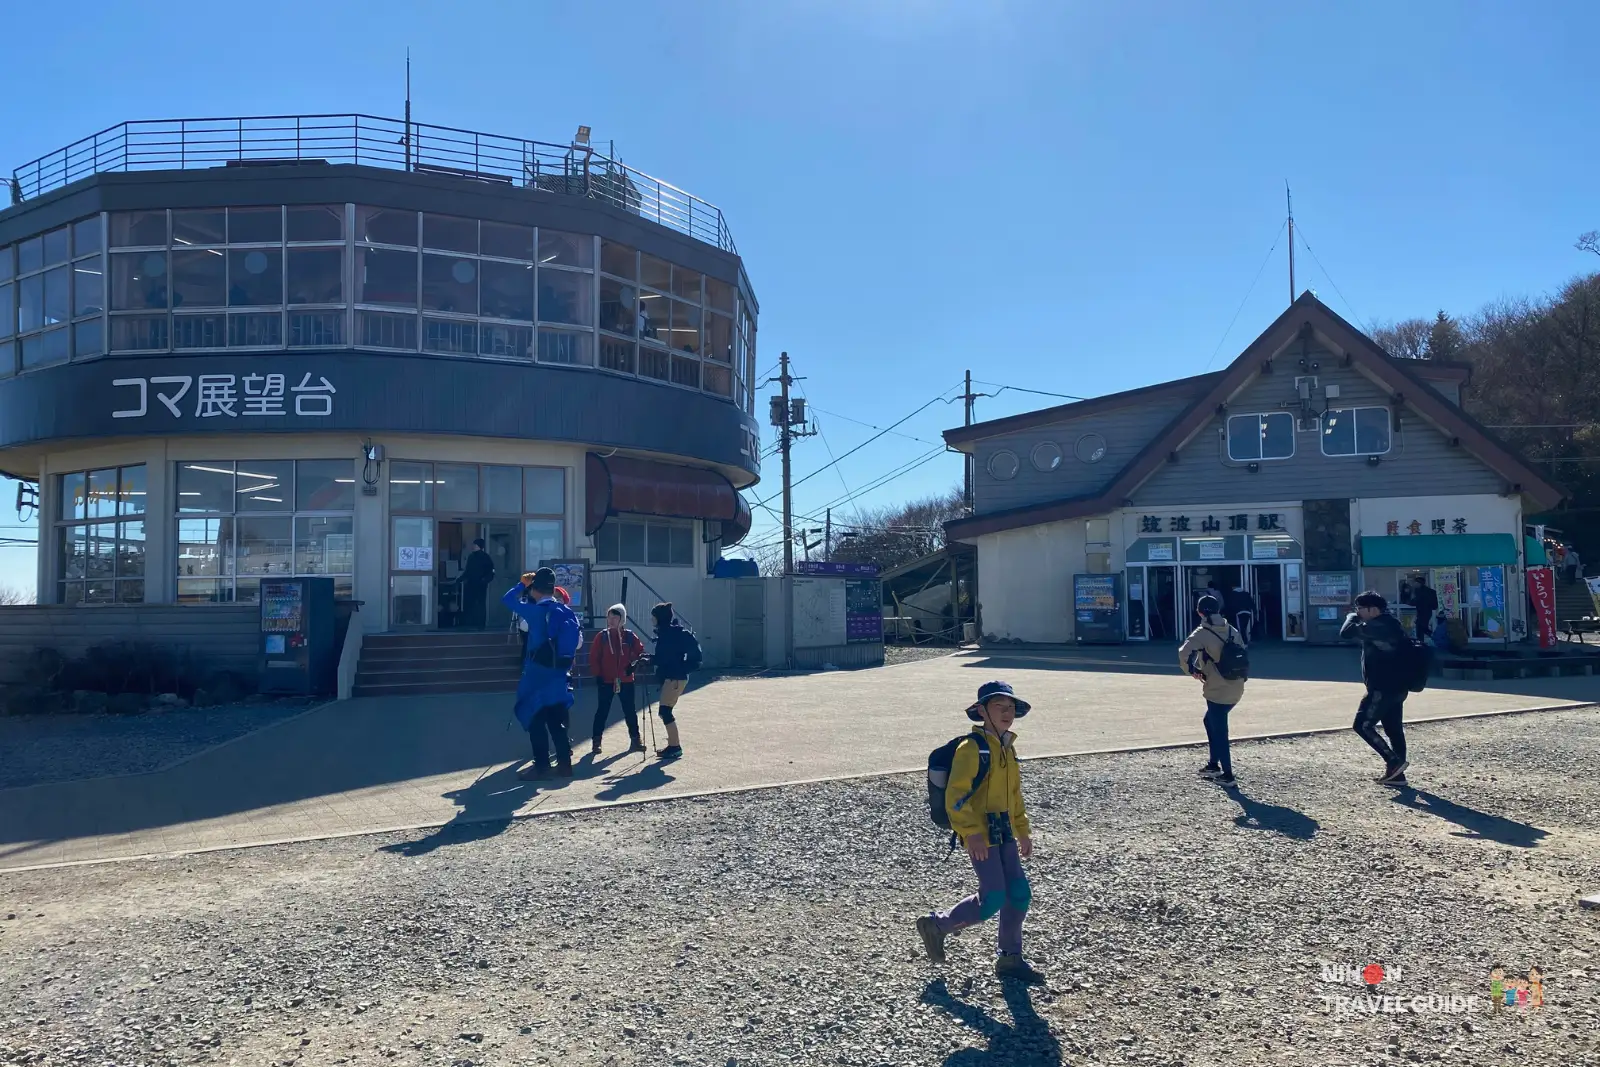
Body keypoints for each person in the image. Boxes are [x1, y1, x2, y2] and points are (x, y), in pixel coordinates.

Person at [915, 681, 1044, 985]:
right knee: (993, 897)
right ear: (982, 711)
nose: (1007, 712)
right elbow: (956, 796)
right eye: (999, 706)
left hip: (1005, 833)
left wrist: (1023, 830)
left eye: (1011, 707)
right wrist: (970, 832)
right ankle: (936, 925)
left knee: (1019, 894)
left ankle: (1010, 958)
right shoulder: (970, 748)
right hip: (981, 834)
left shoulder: (1008, 748)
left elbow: (1015, 796)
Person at [503, 568, 582, 780]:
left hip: (537, 675)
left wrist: (522, 584)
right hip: (558, 674)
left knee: (535, 719)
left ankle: (542, 766)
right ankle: (565, 766)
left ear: (535, 589)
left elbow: (508, 599)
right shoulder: (566, 611)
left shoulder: (535, 611)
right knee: (557, 722)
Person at [1340, 591, 1411, 785]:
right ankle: (1397, 775)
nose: (1358, 612)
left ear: (1373, 609)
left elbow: (1345, 633)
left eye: (1360, 609)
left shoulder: (1379, 626)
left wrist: (1350, 617)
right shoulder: (1390, 624)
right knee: (1394, 729)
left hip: (1382, 686)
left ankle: (1394, 762)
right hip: (1397, 686)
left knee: (1362, 725)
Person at [1177, 594, 1247, 785]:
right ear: (1218, 610)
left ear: (1199, 612)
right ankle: (1213, 765)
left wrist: (1192, 670)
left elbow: (1183, 653)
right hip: (1237, 686)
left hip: (1217, 688)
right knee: (1210, 721)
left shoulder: (1202, 632)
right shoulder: (1232, 630)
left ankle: (1227, 775)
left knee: (1220, 731)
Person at [589, 604, 647, 757]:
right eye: (609, 617)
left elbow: (640, 652)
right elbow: (594, 658)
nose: (611, 620)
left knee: (630, 711)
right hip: (606, 680)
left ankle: (635, 740)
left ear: (622, 619)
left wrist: (634, 666)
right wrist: (598, 675)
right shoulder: (601, 636)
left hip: (626, 679)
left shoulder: (629, 636)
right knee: (602, 711)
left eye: (615, 617)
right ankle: (596, 741)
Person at [647, 602, 701, 761]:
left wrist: (680, 668)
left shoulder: (671, 635)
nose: (652, 620)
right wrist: (650, 659)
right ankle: (673, 745)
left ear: (660, 618)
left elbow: (668, 658)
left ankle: (675, 746)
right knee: (665, 711)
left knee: (665, 711)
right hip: (673, 677)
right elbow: (664, 658)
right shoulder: (667, 633)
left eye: (654, 617)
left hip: (675, 678)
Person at [460, 538, 496, 630]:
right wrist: (460, 579)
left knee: (479, 604)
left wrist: (485, 580)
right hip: (472, 584)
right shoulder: (472, 557)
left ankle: (480, 624)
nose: (473, 547)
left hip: (480, 585)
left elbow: (491, 572)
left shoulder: (484, 557)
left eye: (475, 545)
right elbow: (467, 571)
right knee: (471, 603)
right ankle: (471, 623)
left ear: (479, 546)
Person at [1411, 575, 1439, 639]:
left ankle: (1433, 637)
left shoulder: (1418, 591)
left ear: (1419, 583)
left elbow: (1414, 602)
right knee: (1422, 628)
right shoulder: (1430, 591)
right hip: (1427, 612)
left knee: (1421, 629)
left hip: (1422, 613)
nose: (1414, 584)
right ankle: (1432, 637)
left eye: (1415, 583)